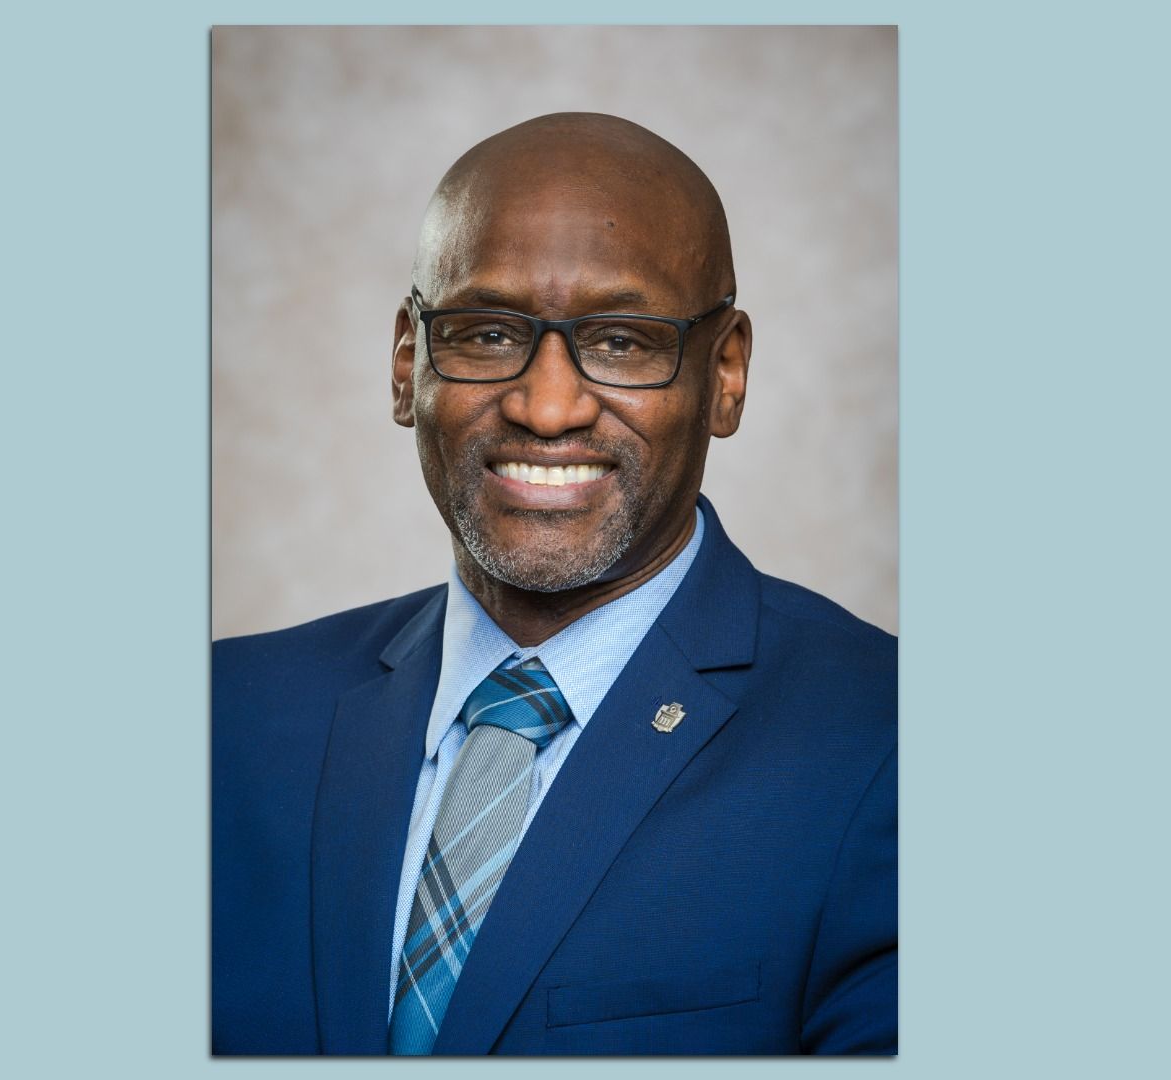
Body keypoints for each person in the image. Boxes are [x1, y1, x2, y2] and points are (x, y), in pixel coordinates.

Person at [211, 112, 896, 1055]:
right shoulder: (223, 721)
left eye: (622, 341)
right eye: (487, 333)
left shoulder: (886, 745)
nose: (547, 407)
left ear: (725, 374)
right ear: (409, 361)